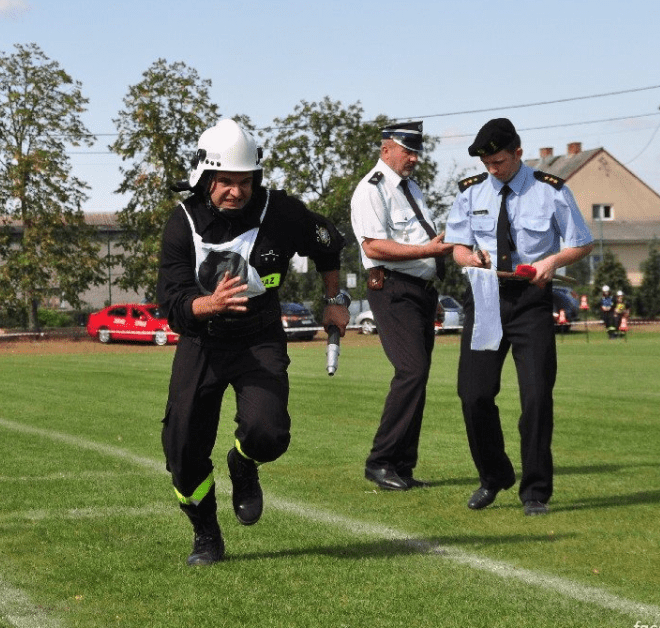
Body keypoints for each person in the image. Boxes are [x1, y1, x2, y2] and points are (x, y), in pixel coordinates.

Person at [157, 119, 349, 566]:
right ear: (205, 178)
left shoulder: (280, 212)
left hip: (258, 337)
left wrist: (335, 298)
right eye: (225, 181)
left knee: (269, 433)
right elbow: (174, 305)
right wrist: (211, 303)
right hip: (201, 343)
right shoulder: (181, 223)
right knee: (182, 451)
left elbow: (327, 245)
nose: (236, 191)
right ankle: (206, 534)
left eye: (245, 181)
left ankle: (243, 464)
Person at [446, 118, 594, 516]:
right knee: (473, 394)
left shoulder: (551, 191)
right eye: (487, 164)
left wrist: (552, 262)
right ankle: (493, 476)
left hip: (531, 299)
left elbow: (580, 243)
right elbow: (457, 246)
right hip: (486, 296)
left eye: (499, 161)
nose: (492, 170)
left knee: (536, 397)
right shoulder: (470, 193)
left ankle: (535, 492)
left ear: (518, 152)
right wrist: (468, 256)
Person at [349, 121, 454, 491]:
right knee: (411, 370)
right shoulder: (371, 190)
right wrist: (430, 252)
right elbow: (374, 247)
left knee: (418, 375)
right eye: (407, 152)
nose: (413, 159)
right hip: (392, 289)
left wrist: (433, 290)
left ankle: (402, 467)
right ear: (386, 150)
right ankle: (379, 462)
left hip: (419, 290)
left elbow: (418, 236)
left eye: (416, 153)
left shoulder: (412, 187)